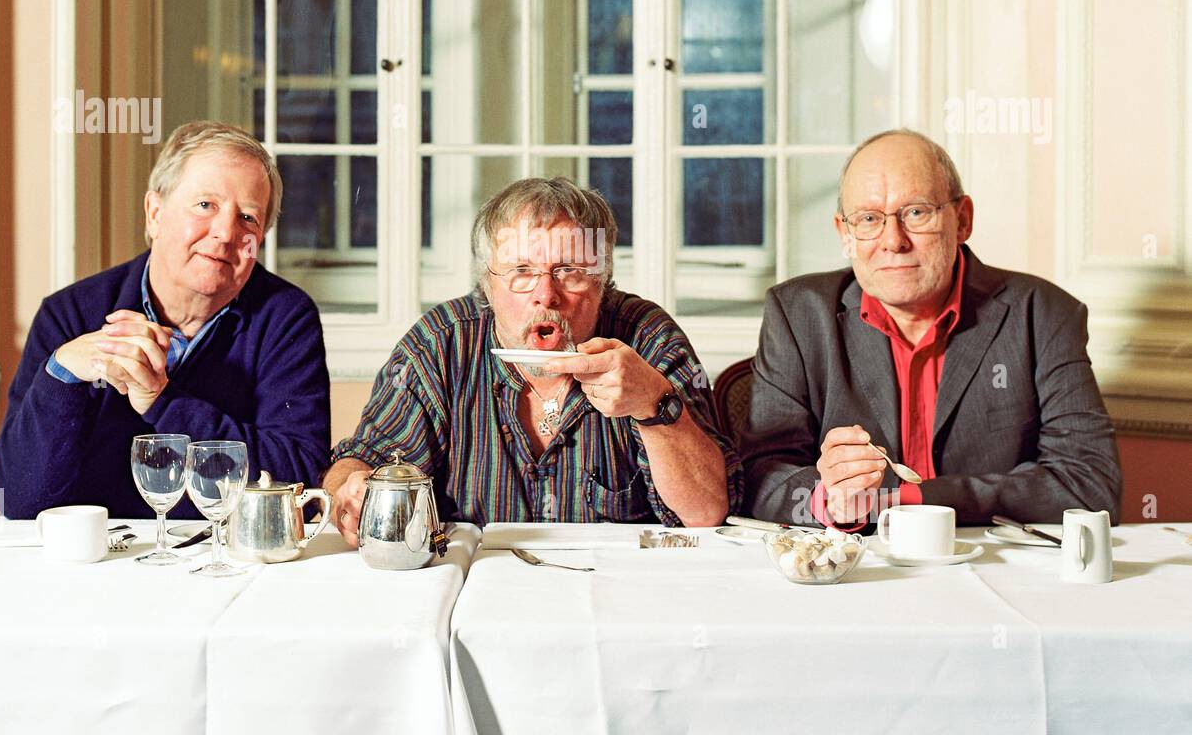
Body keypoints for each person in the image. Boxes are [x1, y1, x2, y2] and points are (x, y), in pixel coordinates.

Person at [739, 128, 1122, 529]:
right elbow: (760, 478)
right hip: (857, 572)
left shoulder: (1042, 314)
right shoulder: (798, 315)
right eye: (868, 219)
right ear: (845, 234)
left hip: (996, 568)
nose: (893, 241)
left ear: (963, 220)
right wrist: (829, 502)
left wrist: (910, 499)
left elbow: (1090, 486)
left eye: (917, 212)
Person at [325, 178, 741, 536]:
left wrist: (654, 406)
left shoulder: (648, 339)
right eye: (522, 270)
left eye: (569, 271)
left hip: (616, 596)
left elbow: (705, 513)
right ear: (487, 284)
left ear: (603, 282)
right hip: (478, 591)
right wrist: (354, 488)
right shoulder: (441, 343)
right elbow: (360, 461)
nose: (546, 293)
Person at [0, 122, 331, 518]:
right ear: (155, 213)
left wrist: (162, 402)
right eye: (206, 205)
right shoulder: (70, 314)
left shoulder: (286, 317)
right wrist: (60, 376)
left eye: (249, 218)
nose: (225, 232)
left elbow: (299, 479)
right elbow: (15, 499)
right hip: (101, 563)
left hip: (226, 557)